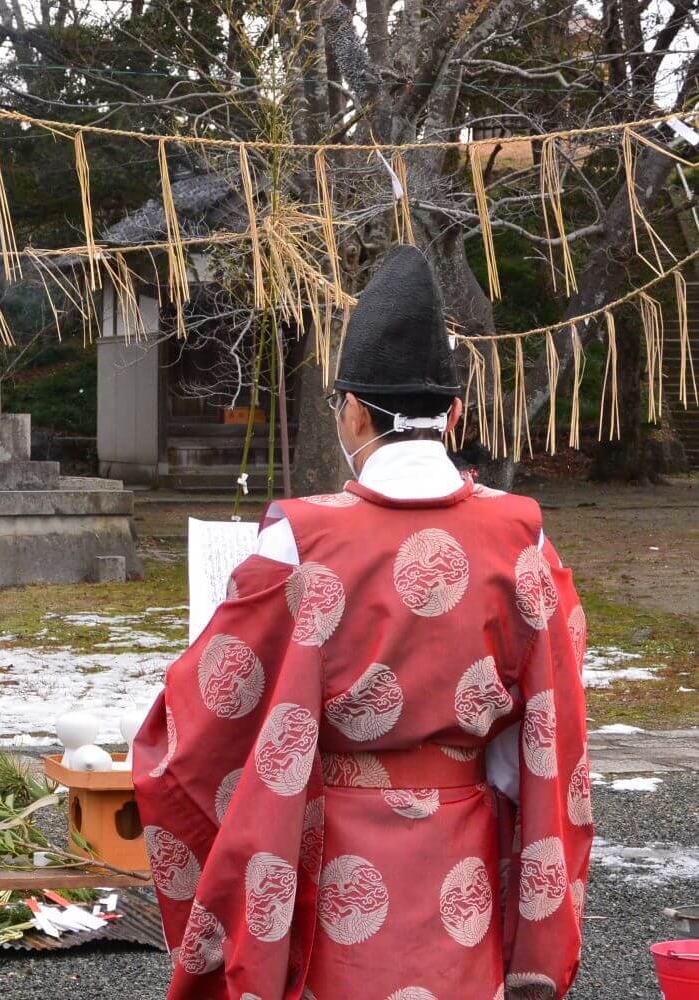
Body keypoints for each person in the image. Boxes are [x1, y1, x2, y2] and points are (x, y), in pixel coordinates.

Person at [132, 245, 591, 1000]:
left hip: (332, 854)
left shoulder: (300, 539)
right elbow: (552, 725)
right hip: (463, 861)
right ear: (455, 412)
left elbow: (210, 719)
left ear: (351, 409)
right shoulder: (524, 537)